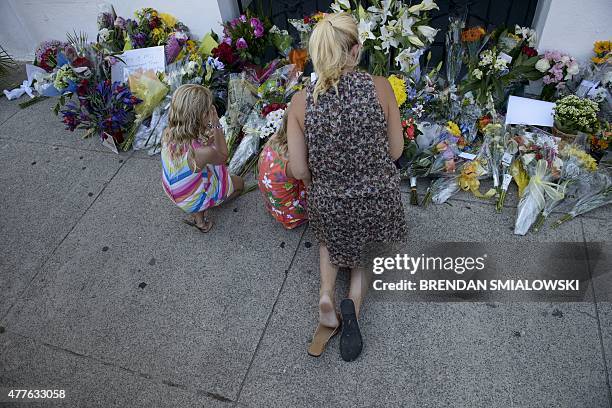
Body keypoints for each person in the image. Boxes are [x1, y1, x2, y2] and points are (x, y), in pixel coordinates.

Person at [286, 12, 407, 361]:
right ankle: (352, 301)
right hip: (376, 198)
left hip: (331, 200)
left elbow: (297, 169)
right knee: (365, 252)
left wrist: (321, 185)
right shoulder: (380, 87)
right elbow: (396, 151)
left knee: (329, 240)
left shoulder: (300, 103)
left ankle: (326, 294)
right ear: (355, 51)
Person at [161, 84, 244, 232]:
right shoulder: (201, 153)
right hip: (190, 198)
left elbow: (191, 150)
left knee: (196, 185)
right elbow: (223, 156)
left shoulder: (168, 134)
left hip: (174, 190)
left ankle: (200, 220)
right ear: (198, 118)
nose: (211, 110)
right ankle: (208, 204)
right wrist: (217, 124)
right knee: (239, 184)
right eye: (208, 111)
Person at [257, 110, 307, 229]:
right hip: (288, 211)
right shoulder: (292, 160)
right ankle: (295, 219)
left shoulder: (275, 139)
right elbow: (308, 180)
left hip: (273, 203)